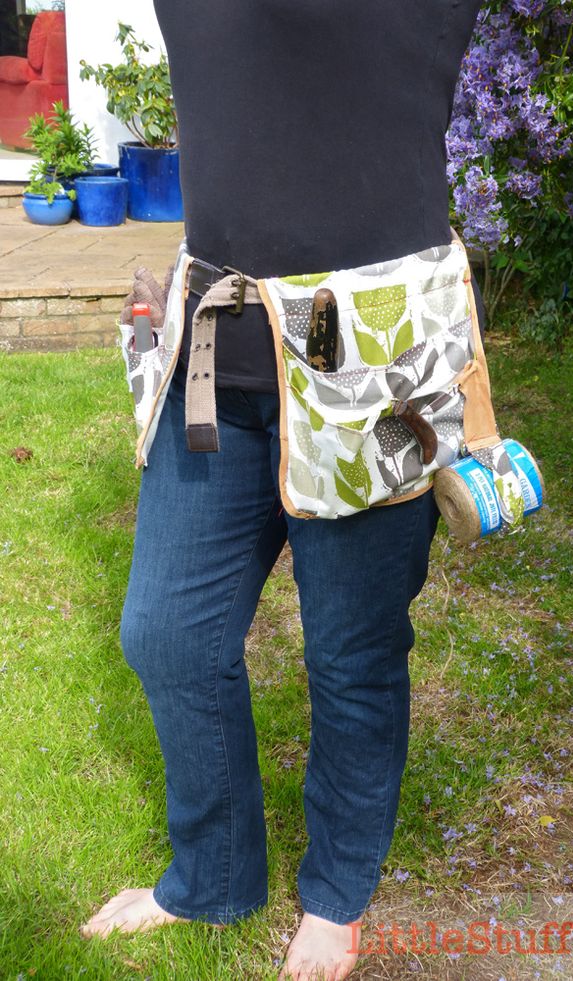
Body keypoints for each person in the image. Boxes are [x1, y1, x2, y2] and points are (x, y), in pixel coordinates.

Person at [80, 3, 486, 979]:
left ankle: (338, 893)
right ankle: (210, 876)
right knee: (167, 629)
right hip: (218, 342)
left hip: (379, 359)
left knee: (351, 649)